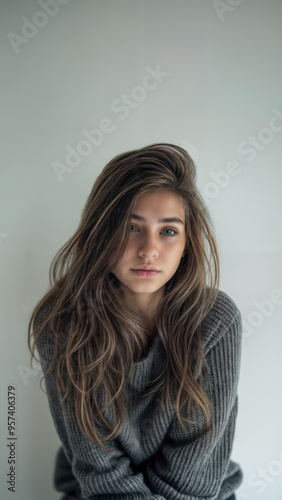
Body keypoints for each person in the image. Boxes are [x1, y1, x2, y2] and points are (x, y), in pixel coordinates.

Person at [28, 143, 243, 500]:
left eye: (168, 231)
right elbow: (100, 468)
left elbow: (194, 471)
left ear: (187, 242)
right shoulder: (61, 324)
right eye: (131, 227)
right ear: (102, 232)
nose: (148, 250)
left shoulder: (215, 320)